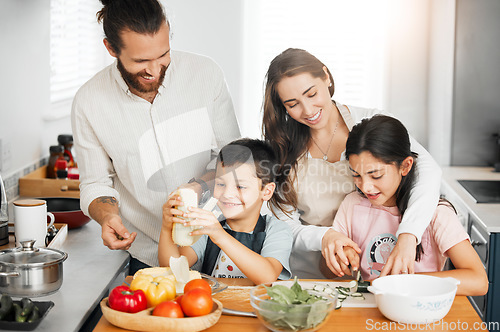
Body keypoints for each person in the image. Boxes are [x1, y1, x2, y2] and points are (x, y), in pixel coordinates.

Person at [71, 0, 240, 274]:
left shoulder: (206, 75)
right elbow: (95, 183)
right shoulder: (89, 102)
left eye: (163, 55)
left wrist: (196, 187)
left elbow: (234, 159)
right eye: (140, 61)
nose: (155, 70)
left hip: (220, 245)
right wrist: (108, 216)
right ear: (111, 48)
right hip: (148, 254)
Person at [262, 48, 442, 278]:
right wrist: (326, 236)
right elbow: (284, 227)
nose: (308, 110)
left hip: (373, 268)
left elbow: (427, 170)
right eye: (292, 103)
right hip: (310, 275)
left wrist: (409, 234)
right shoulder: (282, 149)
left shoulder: (372, 124)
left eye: (311, 93)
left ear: (326, 77)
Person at [326, 115, 488, 296]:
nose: (365, 186)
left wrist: (409, 283)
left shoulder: (436, 213)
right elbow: (332, 260)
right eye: (356, 175)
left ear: (405, 166)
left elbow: (478, 281)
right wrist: (342, 255)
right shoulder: (352, 204)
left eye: (376, 175)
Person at [159, 138, 293, 284]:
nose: (227, 194)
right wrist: (167, 228)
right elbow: (174, 270)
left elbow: (267, 277)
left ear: (266, 192)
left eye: (240, 187)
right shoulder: (207, 227)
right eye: (221, 184)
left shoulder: (277, 230)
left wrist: (220, 235)